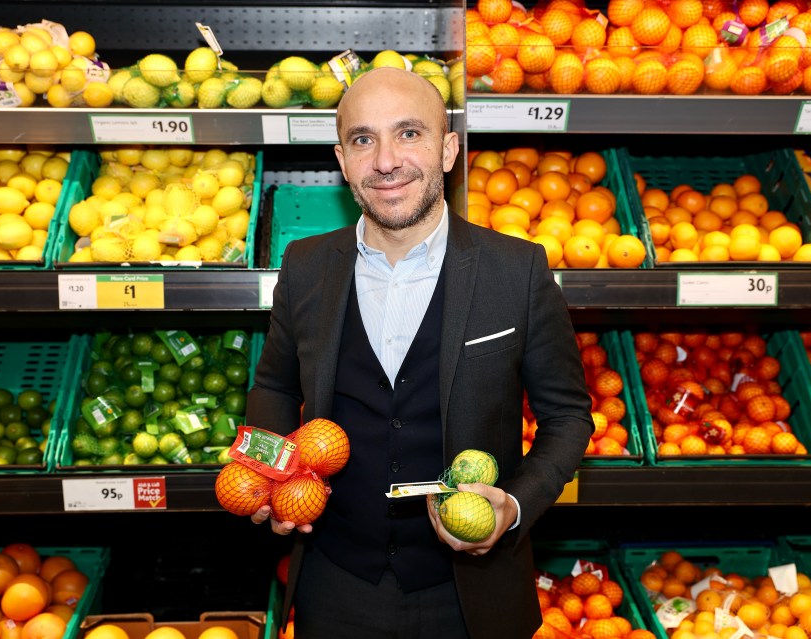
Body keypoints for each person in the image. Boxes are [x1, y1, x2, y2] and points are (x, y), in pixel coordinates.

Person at [245, 66, 593, 639]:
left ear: (449, 149)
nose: (385, 160)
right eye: (363, 139)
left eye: (409, 133)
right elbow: (276, 387)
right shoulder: (305, 266)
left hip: (468, 592)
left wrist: (512, 506)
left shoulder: (517, 269)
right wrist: (273, 475)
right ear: (341, 159)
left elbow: (568, 416)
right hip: (335, 582)